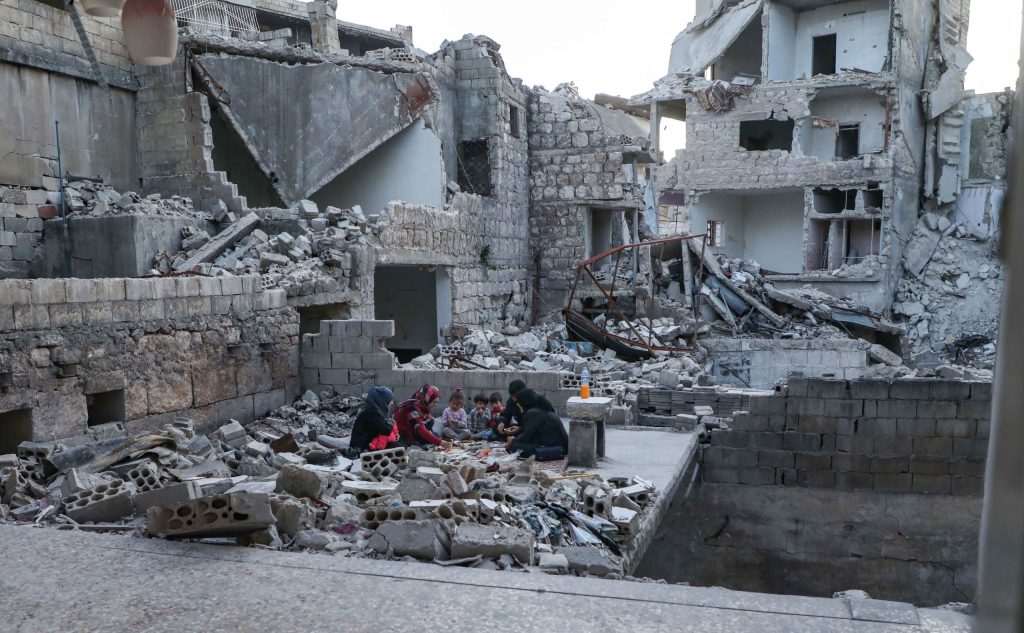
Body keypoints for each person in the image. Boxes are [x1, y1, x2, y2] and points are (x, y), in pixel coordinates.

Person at [508, 388, 569, 459]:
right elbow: (533, 430)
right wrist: (519, 430)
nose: (518, 405)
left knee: (516, 446)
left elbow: (525, 437)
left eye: (518, 402)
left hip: (554, 448)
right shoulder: (539, 409)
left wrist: (512, 441)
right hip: (556, 445)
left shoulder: (533, 413)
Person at [348, 386, 398, 454]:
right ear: (382, 401)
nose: (391, 403)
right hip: (362, 448)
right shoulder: (372, 413)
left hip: (367, 445)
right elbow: (386, 430)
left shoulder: (372, 411)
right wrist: (391, 422)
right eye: (390, 401)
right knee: (396, 447)